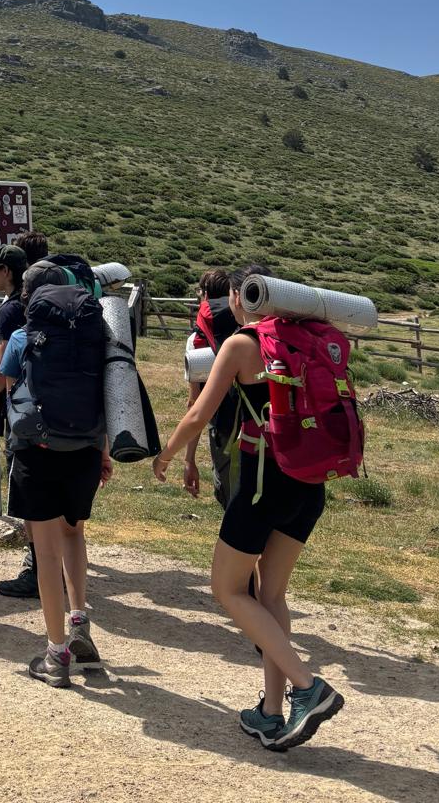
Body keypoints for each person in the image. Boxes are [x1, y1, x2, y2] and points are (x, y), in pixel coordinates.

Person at [153, 268, 344, 750]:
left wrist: (169, 453)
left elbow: (200, 412)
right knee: (270, 595)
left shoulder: (241, 345)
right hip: (310, 482)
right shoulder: (314, 338)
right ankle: (271, 712)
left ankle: (308, 688)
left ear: (240, 296)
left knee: (227, 588)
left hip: (263, 483)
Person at [0, 262, 113, 688]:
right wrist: (102, 449)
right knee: (74, 535)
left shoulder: (24, 337)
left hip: (36, 453)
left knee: (44, 555)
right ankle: (80, 623)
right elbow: (106, 394)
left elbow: (0, 386)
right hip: (83, 451)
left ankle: (56, 653)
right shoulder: (94, 337)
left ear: (29, 296)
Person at [0, 244, 39, 598]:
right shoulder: (41, 304)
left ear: (8, 271)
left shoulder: (9, 312)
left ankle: (35, 569)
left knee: (28, 494)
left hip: (22, 415)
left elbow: (4, 369)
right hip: (58, 411)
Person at [183, 269, 241, 508]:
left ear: (204, 294)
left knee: (231, 499)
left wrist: (189, 459)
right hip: (261, 425)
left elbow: (194, 404)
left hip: (225, 426)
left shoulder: (197, 340)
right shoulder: (248, 328)